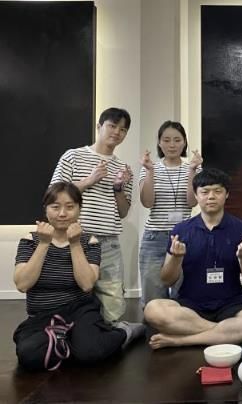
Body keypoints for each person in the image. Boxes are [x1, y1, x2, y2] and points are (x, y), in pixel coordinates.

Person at [13, 183, 144, 371]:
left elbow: (87, 284)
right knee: (29, 355)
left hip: (80, 311)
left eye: (70, 206)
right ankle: (69, 340)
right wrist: (44, 244)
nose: (62, 213)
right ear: (46, 209)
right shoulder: (30, 240)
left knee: (90, 352)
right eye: (55, 207)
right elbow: (22, 284)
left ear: (79, 209)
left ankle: (124, 331)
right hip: (41, 314)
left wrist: (75, 244)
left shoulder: (90, 241)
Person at [143, 168, 242, 349]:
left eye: (217, 191)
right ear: (196, 195)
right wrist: (176, 258)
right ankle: (225, 332)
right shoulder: (181, 230)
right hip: (190, 306)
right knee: (153, 310)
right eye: (205, 192)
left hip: (231, 303)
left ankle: (180, 340)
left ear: (227, 194)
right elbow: (167, 280)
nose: (211, 197)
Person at [50, 107, 133, 322]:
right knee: (71, 295)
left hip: (109, 242)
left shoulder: (123, 168)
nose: (117, 132)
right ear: (99, 126)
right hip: (75, 238)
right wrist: (89, 180)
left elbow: (123, 212)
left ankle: (109, 336)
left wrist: (118, 188)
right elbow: (54, 195)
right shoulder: (73, 156)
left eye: (123, 129)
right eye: (112, 126)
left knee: (112, 302)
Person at [139, 121, 203, 306]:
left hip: (184, 237)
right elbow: (147, 202)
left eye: (177, 140)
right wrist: (150, 171)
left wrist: (192, 170)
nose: (172, 145)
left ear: (184, 142)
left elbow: (192, 202)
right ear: (159, 143)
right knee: (153, 299)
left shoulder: (194, 167)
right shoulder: (150, 168)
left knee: (183, 296)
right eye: (166, 140)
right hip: (154, 237)